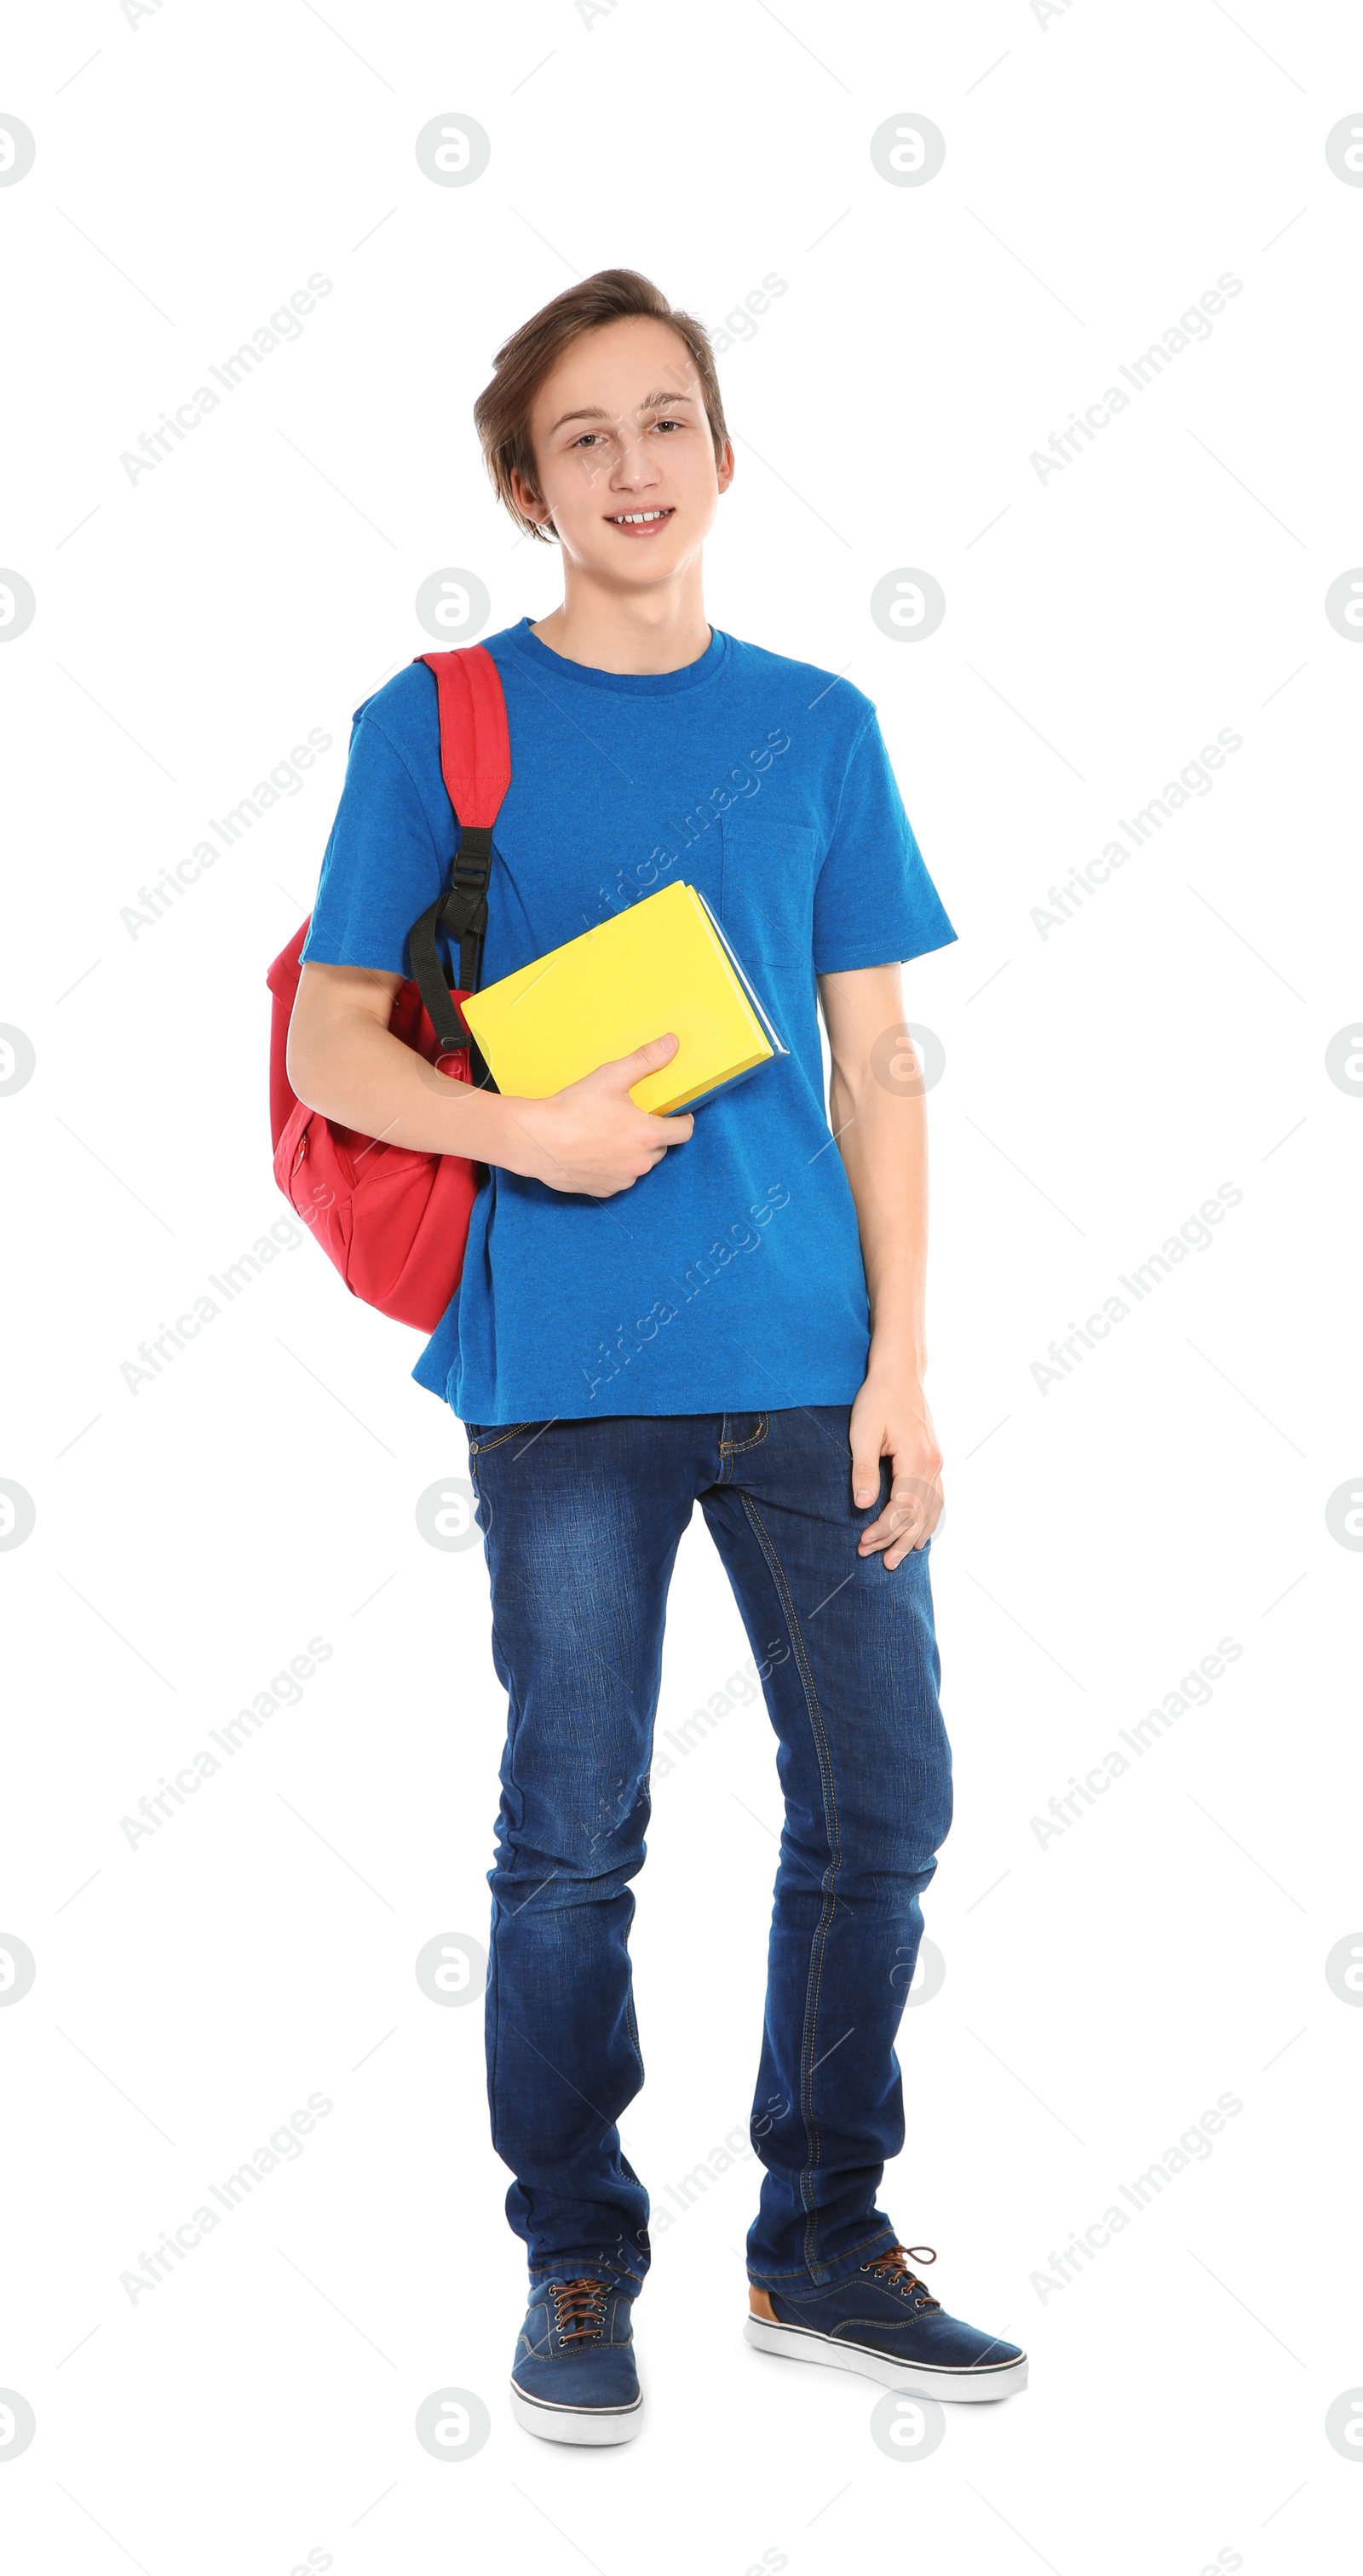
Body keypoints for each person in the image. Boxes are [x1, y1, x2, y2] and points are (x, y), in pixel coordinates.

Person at [287, 267, 1026, 2446]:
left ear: (722, 454)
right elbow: (339, 1035)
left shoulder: (814, 725)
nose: (632, 464)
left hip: (810, 1359)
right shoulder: (434, 725)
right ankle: (577, 2256)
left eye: (666, 420)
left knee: (884, 1799)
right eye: (584, 435)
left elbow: (877, 1061)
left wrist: (903, 1362)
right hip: (566, 1372)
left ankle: (818, 2239)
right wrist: (527, 1127)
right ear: (527, 485)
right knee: (571, 1836)